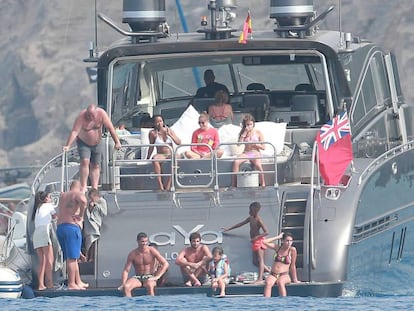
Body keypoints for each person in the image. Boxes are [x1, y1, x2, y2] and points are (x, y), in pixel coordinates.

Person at [63, 103, 122, 192]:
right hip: (83, 143)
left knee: (96, 165)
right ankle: (83, 186)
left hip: (97, 143)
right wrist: (68, 145)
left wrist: (117, 142)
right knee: (85, 161)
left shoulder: (102, 114)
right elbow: (75, 132)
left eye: (92, 116)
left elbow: (110, 128)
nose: (90, 117)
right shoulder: (81, 117)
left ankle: (95, 187)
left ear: (96, 113)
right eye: (89, 115)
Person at [222, 201, 269, 283]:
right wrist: (228, 229)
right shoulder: (250, 218)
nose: (249, 212)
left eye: (251, 210)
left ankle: (260, 278)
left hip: (259, 241)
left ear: (256, 211)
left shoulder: (259, 220)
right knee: (255, 262)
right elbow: (240, 224)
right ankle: (269, 271)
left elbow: (266, 232)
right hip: (254, 242)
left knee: (260, 260)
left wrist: (256, 238)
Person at [56, 180, 89, 290]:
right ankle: (71, 284)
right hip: (71, 227)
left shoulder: (63, 195)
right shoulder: (77, 194)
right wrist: (81, 215)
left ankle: (78, 281)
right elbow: (83, 201)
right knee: (72, 258)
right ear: (79, 188)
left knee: (73, 258)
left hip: (60, 228)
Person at [119, 232, 169, 297]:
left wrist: (157, 276)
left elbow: (165, 263)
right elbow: (126, 270)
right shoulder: (133, 253)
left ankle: (152, 304)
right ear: (138, 241)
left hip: (149, 276)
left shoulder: (151, 250)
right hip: (138, 277)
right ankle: (129, 305)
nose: (145, 243)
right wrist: (123, 283)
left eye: (146, 241)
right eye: (142, 241)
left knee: (150, 285)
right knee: (126, 287)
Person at [147, 115, 181, 190]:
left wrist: (170, 135)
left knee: (176, 157)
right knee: (155, 159)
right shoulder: (153, 133)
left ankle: (169, 184)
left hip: (170, 153)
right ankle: (160, 185)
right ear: (154, 124)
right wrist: (147, 157)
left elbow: (179, 142)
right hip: (161, 154)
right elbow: (151, 146)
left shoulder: (169, 130)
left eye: (160, 121)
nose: (159, 123)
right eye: (157, 122)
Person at [232, 114, 266, 187]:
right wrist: (244, 133)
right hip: (247, 153)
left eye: (250, 124)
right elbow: (239, 144)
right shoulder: (243, 132)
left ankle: (263, 183)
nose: (249, 126)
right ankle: (234, 184)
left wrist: (256, 145)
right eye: (247, 124)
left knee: (258, 165)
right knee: (236, 162)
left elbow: (263, 147)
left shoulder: (258, 132)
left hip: (255, 152)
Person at [31, 191, 57, 290]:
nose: (50, 199)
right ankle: (50, 283)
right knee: (50, 259)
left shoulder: (37, 208)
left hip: (36, 233)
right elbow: (55, 216)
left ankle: (41, 285)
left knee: (42, 261)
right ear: (46, 199)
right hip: (44, 232)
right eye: (50, 197)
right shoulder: (48, 205)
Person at [263, 232, 300, 297]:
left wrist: (295, 279)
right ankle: (266, 303)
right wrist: (278, 237)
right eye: (287, 241)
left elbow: (292, 265)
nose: (289, 243)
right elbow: (264, 242)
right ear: (283, 241)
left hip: (284, 274)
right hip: (273, 274)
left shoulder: (292, 250)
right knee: (268, 283)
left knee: (280, 282)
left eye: (291, 241)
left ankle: (283, 303)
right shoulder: (278, 248)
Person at [82, 188, 107, 262]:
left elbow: (104, 213)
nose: (91, 199)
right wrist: (89, 207)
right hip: (88, 224)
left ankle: (92, 257)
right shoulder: (89, 202)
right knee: (88, 240)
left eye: (92, 197)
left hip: (95, 223)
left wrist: (96, 205)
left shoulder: (102, 201)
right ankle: (88, 256)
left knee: (94, 240)